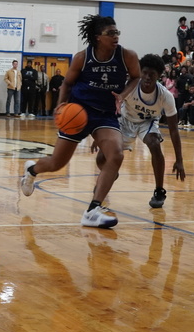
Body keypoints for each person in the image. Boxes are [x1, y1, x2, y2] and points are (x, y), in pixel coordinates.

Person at [18, 14, 141, 228]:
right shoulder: (82, 57)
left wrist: (123, 95)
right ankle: (32, 170)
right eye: (110, 33)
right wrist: (60, 106)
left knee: (116, 154)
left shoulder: (127, 56)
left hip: (105, 114)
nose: (116, 37)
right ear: (97, 38)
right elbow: (67, 83)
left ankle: (93, 209)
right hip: (79, 112)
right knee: (57, 164)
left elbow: (136, 77)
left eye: (117, 32)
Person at [117, 54, 185, 209]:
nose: (147, 77)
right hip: (125, 119)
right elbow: (110, 105)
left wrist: (179, 160)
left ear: (159, 76)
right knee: (103, 156)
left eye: (152, 74)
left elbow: (174, 130)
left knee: (154, 144)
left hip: (146, 122)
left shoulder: (166, 96)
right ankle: (108, 175)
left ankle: (159, 190)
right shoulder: (129, 86)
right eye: (145, 73)